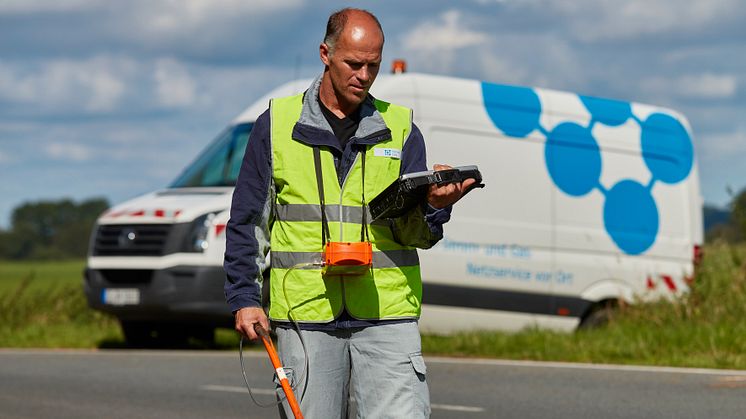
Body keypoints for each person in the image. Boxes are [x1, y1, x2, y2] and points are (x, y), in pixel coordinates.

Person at [224, 8, 474, 418]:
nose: (363, 75)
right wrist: (244, 298)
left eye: (372, 66)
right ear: (325, 54)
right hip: (305, 315)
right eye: (353, 63)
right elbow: (248, 220)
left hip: (387, 314)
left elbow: (416, 236)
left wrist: (434, 206)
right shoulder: (276, 124)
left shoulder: (401, 129)